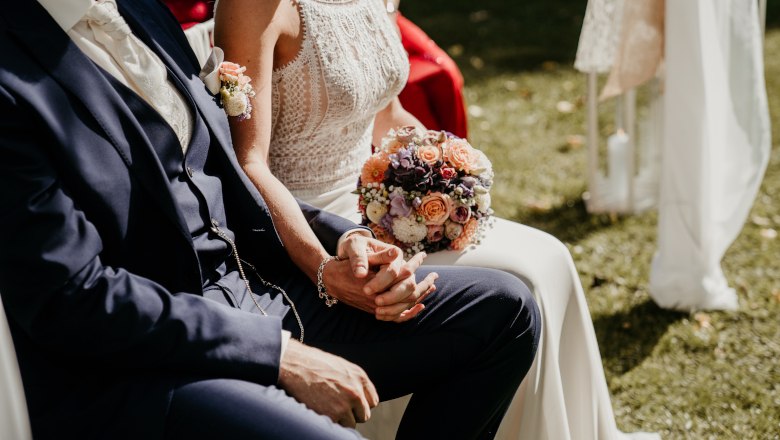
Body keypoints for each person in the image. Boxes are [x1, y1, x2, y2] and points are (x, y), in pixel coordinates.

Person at [0, 1, 541, 439]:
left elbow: (222, 175)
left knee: (505, 312)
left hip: (261, 293)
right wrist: (277, 354)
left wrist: (343, 244)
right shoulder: (11, 74)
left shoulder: (139, 10)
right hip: (150, 365)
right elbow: (70, 297)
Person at [212, 0, 659, 438]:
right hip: (309, 221)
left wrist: (447, 170)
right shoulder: (255, 6)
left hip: (382, 201)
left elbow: (387, 114)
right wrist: (325, 269)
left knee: (553, 256)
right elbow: (249, 163)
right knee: (525, 279)